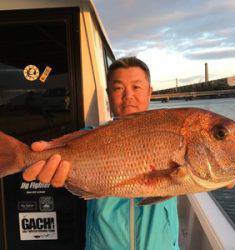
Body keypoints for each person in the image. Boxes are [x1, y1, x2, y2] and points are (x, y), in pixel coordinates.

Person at [23, 57, 179, 250]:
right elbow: (60, 152)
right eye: (118, 88)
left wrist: (226, 173)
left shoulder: (170, 134)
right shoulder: (90, 136)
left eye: (136, 87)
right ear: (108, 94)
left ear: (149, 92)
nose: (128, 95)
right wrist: (42, 155)